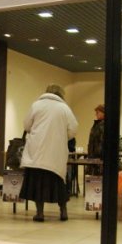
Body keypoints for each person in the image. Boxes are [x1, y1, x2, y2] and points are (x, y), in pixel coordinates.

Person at [19, 84, 78, 222]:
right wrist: (62, 136)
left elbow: (26, 125)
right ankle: (63, 212)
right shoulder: (64, 108)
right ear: (61, 94)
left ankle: (40, 213)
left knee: (37, 183)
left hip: (36, 151)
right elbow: (73, 129)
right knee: (59, 182)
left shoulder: (36, 105)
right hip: (55, 153)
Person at [86, 104, 104, 176]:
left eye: (98, 112)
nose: (96, 114)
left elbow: (102, 142)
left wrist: (99, 154)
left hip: (99, 159)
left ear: (104, 113)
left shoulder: (104, 125)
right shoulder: (97, 125)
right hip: (93, 158)